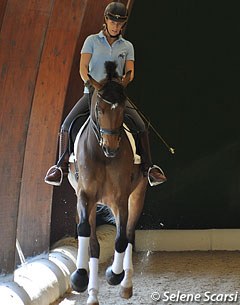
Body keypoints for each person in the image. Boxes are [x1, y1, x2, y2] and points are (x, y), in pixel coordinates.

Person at [44, 1, 166, 187]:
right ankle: (60, 167)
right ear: (106, 20)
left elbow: (130, 72)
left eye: (120, 23)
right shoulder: (91, 41)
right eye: (113, 22)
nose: (116, 26)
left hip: (116, 95)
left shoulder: (127, 46)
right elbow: (83, 68)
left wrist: (121, 83)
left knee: (141, 124)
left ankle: (148, 169)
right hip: (92, 93)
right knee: (67, 124)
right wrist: (92, 85)